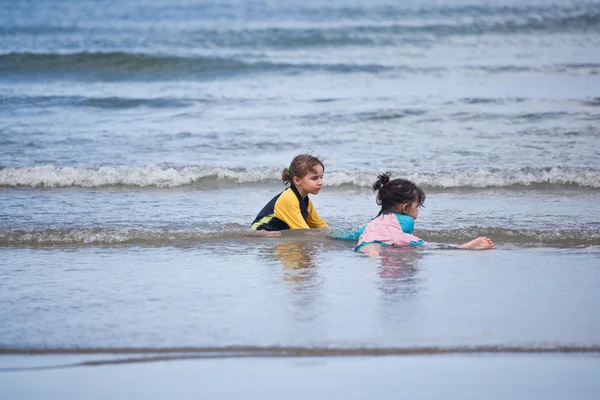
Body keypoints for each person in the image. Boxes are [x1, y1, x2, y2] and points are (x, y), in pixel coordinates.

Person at [356, 172, 494, 256]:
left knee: (371, 246)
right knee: (428, 246)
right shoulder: (406, 221)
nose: (417, 210)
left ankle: (372, 251)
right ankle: (462, 247)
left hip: (367, 240)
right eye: (417, 206)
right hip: (395, 239)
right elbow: (400, 237)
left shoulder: (371, 223)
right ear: (405, 208)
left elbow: (354, 234)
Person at [250, 154, 328, 231]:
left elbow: (320, 226)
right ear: (297, 180)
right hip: (259, 232)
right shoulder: (289, 198)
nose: (320, 182)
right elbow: (302, 231)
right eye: (314, 178)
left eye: (321, 177)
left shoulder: (306, 202)